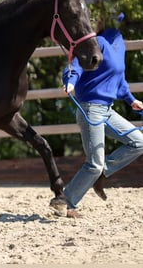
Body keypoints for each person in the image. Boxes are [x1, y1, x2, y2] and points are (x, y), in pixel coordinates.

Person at [59, 13, 143, 218]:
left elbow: (119, 78)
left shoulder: (118, 43)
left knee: (138, 142)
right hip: (90, 107)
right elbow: (75, 67)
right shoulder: (97, 43)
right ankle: (65, 201)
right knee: (94, 163)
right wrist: (70, 82)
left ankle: (99, 174)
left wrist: (130, 99)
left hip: (107, 109)